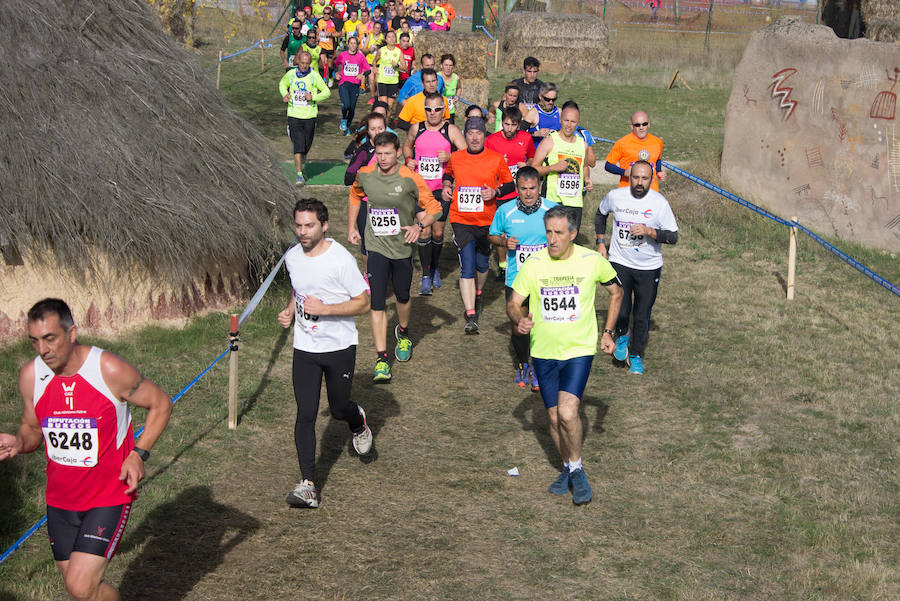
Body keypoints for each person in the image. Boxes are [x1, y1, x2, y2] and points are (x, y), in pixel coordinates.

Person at [0, 298, 173, 600]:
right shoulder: (32, 376)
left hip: (108, 495)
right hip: (60, 498)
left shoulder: (106, 368)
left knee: (80, 585)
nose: (43, 350)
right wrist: (19, 442)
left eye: (50, 338)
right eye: (35, 341)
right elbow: (31, 429)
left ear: (72, 333)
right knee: (77, 584)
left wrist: (138, 453)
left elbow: (160, 404)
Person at [506, 206, 624, 505]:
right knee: (553, 415)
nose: (552, 239)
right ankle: (569, 468)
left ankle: (577, 469)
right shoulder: (534, 264)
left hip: (578, 349)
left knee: (569, 412)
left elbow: (616, 292)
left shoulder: (590, 260)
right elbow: (514, 301)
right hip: (544, 351)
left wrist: (608, 332)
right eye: (548, 232)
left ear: (573, 233)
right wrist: (518, 317)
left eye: (559, 233)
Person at [277, 199, 373, 509]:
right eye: (299, 225)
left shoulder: (340, 260)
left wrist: (327, 309)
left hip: (339, 347)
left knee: (338, 407)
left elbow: (363, 302)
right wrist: (291, 310)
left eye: (309, 225)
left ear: (324, 225)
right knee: (305, 414)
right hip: (305, 348)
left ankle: (357, 420)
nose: (302, 232)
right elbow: (299, 288)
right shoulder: (292, 257)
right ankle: (308, 484)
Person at [348, 132, 442, 381]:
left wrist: (419, 227)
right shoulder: (366, 175)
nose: (383, 158)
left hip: (402, 247)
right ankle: (381, 359)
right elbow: (355, 194)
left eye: (388, 153)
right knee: (377, 301)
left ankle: (403, 331)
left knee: (402, 296)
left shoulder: (409, 178)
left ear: (398, 152)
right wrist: (352, 227)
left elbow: (435, 207)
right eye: (379, 154)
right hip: (376, 245)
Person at [594, 160, 678, 375]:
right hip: (620, 261)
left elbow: (673, 236)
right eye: (636, 177)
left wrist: (650, 232)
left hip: (648, 267)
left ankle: (637, 354)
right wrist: (601, 242)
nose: (639, 182)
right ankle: (622, 334)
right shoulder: (616, 196)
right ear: (629, 176)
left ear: (651, 179)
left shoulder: (659, 203)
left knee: (642, 313)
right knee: (622, 307)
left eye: (644, 178)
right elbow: (600, 214)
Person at [441, 116, 515, 334]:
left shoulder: (496, 158)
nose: (474, 137)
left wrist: (496, 192)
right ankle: (471, 314)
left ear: (485, 136)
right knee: (467, 265)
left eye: (479, 133)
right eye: (470, 133)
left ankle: (479, 292)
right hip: (461, 219)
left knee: (483, 265)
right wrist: (446, 186)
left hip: (487, 220)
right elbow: (448, 174)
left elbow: (510, 183)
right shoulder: (456, 157)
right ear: (465, 135)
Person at [488, 167, 555, 389]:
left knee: (543, 325)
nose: (528, 194)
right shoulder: (505, 211)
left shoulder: (552, 210)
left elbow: (564, 237)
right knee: (519, 325)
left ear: (539, 187)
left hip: (546, 280)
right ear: (517, 189)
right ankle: (522, 364)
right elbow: (493, 234)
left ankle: (537, 366)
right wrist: (503, 243)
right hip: (517, 279)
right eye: (524, 189)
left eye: (533, 188)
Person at [402, 92, 466, 294]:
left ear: (444, 110)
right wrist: (408, 158)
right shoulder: (417, 128)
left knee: (438, 232)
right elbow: (406, 145)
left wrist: (450, 156)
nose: (432, 113)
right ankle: (426, 276)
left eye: (437, 109)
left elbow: (466, 156)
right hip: (420, 191)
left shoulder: (451, 130)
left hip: (441, 190)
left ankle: (434, 267)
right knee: (424, 230)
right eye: (428, 109)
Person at [485, 105, 535, 280]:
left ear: (519, 124)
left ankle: (522, 264)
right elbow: (484, 163)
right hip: (500, 192)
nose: (509, 129)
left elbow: (531, 158)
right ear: (502, 123)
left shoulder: (526, 138)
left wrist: (527, 165)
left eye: (513, 125)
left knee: (520, 229)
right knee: (501, 233)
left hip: (519, 193)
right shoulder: (491, 140)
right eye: (506, 124)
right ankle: (502, 265)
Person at [530, 100, 593, 232]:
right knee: (552, 241)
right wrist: (552, 168)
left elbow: (585, 166)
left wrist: (587, 179)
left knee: (570, 243)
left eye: (573, 122)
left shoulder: (583, 145)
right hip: (553, 201)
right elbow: (534, 169)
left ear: (578, 122)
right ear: (560, 119)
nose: (569, 125)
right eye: (566, 120)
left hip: (575, 203)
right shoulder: (549, 141)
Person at [279, 51, 331, 185]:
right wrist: (285, 94)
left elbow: (326, 92)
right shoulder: (291, 74)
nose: (304, 66)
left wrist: (313, 97)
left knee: (306, 146)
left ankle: (303, 155)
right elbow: (282, 84)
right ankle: (299, 175)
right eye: (302, 63)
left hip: (309, 116)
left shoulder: (314, 76)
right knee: (298, 145)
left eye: (307, 64)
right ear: (297, 61)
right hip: (294, 115)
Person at [345, 112, 388, 272]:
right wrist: (362, 175)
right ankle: (368, 274)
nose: (377, 132)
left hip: (387, 203)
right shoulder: (364, 151)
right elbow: (348, 177)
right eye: (373, 129)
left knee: (386, 240)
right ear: (368, 131)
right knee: (367, 243)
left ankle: (383, 271)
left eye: (380, 128)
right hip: (366, 204)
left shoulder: (392, 148)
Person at [604, 109, 667, 192]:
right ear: (631, 126)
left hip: (651, 193)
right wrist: (624, 172)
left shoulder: (657, 142)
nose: (641, 128)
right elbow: (608, 165)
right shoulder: (622, 143)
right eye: (637, 125)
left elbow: (657, 159)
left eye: (644, 124)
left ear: (649, 124)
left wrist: (659, 171)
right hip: (628, 192)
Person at [335, 36, 371, 134]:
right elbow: (335, 65)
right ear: (348, 44)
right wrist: (336, 73)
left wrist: (362, 74)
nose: (353, 45)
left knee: (352, 107)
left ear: (357, 45)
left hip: (355, 84)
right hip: (344, 83)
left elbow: (368, 70)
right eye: (351, 43)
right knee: (346, 104)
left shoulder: (360, 56)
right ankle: (343, 119)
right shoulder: (342, 55)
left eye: (355, 43)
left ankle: (347, 127)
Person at [523, 81, 560, 148]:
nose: (551, 102)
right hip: (536, 155)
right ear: (540, 96)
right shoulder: (533, 113)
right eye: (547, 99)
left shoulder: (560, 112)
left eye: (553, 99)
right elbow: (519, 134)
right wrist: (536, 134)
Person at [374, 30, 402, 118]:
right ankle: (380, 124)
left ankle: (385, 125)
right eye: (389, 37)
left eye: (393, 37)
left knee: (389, 107)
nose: (391, 39)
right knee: (383, 105)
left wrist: (397, 65)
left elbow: (404, 68)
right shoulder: (381, 50)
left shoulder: (399, 52)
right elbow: (374, 61)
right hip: (382, 80)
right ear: (386, 39)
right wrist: (375, 69)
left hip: (393, 82)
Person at [438, 53, 460, 124]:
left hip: (450, 111)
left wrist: (457, 96)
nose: (448, 68)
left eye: (450, 65)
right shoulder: (436, 77)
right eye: (446, 65)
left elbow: (459, 88)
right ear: (441, 65)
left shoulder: (456, 78)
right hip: (437, 111)